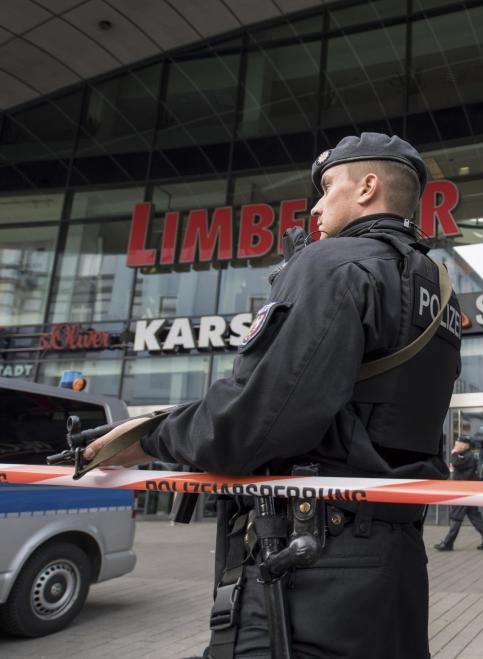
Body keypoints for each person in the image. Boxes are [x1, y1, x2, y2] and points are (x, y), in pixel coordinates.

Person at [84, 132, 462, 659]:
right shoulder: (439, 289)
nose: (316, 205)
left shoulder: (334, 265)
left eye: (329, 187)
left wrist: (152, 436)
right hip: (394, 558)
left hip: (311, 564)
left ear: (368, 187)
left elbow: (256, 422)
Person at [434, 438, 483, 551]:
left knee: (457, 517)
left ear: (465, 445)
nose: (455, 446)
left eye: (457, 444)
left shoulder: (467, 457)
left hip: (464, 492)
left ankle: (448, 543)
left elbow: (455, 463)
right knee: (475, 517)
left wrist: (454, 453)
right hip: (466, 491)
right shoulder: (466, 455)